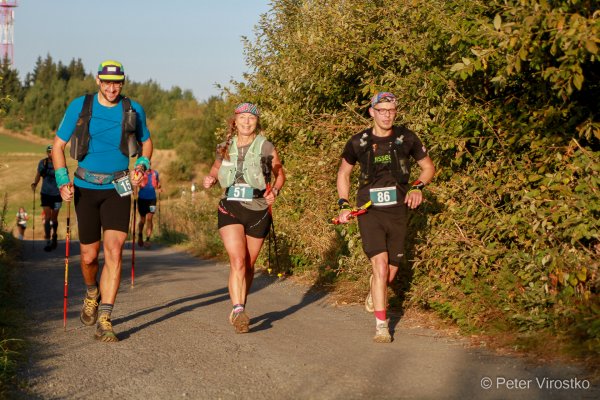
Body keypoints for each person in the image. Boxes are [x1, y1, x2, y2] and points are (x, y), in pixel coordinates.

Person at [52, 60, 153, 342]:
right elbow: (58, 146)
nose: (112, 88)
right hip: (85, 185)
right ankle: (91, 292)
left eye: (117, 82)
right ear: (98, 81)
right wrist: (62, 181)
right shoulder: (80, 106)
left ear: (122, 83)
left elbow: (147, 142)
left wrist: (142, 165)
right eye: (107, 82)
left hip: (119, 186)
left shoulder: (132, 109)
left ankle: (106, 318)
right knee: (87, 257)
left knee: (115, 251)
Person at [336, 92, 435, 343]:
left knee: (389, 273)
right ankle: (382, 326)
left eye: (391, 110)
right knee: (379, 267)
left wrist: (416, 187)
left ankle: (375, 288)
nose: (387, 114)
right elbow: (344, 173)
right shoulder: (358, 142)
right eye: (382, 110)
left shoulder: (407, 138)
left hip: (397, 210)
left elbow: (428, 168)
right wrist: (343, 204)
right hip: (369, 210)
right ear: (372, 112)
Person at [203, 102, 285, 334]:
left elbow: (279, 173)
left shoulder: (266, 146)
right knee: (237, 260)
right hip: (230, 206)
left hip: (258, 209)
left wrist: (275, 191)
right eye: (243, 118)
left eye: (251, 118)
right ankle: (238, 309)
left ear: (256, 122)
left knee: (248, 265)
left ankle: (240, 306)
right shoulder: (225, 146)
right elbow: (215, 168)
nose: (247, 122)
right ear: (235, 121)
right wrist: (210, 179)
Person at [31, 144, 62, 251]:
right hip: (45, 194)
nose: (51, 154)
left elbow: (64, 175)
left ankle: (55, 235)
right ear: (47, 152)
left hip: (58, 195)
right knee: (47, 217)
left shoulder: (60, 162)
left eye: (52, 152)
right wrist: (35, 183)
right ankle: (48, 239)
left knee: (54, 218)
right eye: (49, 152)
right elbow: (38, 174)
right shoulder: (43, 163)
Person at [137, 168, 161, 248]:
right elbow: (135, 184)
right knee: (143, 220)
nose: (147, 166)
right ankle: (140, 235)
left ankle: (148, 239)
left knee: (149, 219)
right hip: (142, 199)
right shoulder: (140, 173)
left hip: (152, 199)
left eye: (148, 163)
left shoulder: (155, 173)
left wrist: (159, 187)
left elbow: (157, 183)